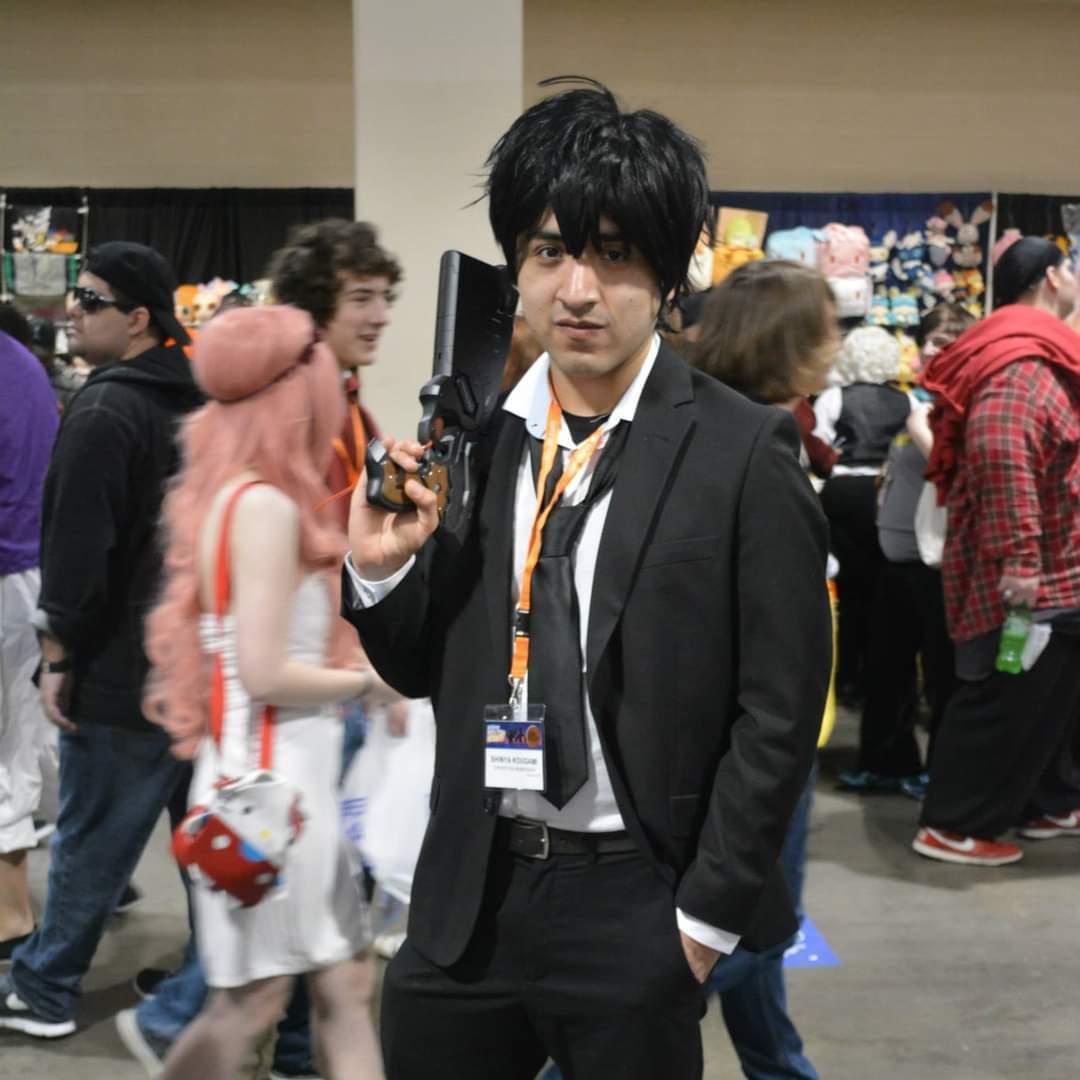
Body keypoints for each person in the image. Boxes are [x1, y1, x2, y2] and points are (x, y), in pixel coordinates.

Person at [343, 79, 831, 1079]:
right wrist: (378, 572)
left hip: (637, 903)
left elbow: (779, 708)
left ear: (670, 274)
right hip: (470, 897)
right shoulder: (476, 442)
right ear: (516, 267)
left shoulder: (741, 450)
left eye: (614, 255)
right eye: (550, 251)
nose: (577, 288)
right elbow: (423, 667)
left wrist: (701, 922)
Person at [119, 219, 405, 1080]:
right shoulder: (264, 509)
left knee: (331, 988)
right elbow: (265, 670)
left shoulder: (237, 499)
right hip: (274, 789)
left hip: (269, 781)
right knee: (254, 1003)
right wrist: (367, 682)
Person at [0, 243, 203, 1039]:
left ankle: (44, 988)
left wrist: (59, 657)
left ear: (138, 317)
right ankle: (204, 980)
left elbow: (81, 551)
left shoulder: (107, 408)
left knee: (91, 834)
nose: (72, 311)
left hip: (123, 661)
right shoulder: (200, 397)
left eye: (90, 300)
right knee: (199, 838)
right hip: (194, 657)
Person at [684, 258, 840, 1080]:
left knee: (756, 931)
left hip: (754, 734)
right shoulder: (763, 447)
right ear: (793, 342)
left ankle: (780, 1066)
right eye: (827, 326)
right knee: (747, 938)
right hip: (763, 742)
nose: (837, 342)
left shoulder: (727, 431)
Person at [913, 237, 1080, 866]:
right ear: (1051, 278)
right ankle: (952, 825)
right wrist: (1021, 561)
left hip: (1054, 571)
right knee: (1004, 702)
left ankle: (1042, 803)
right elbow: (1003, 453)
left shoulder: (1032, 351)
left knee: (1045, 702)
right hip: (1031, 578)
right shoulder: (1019, 358)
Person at [838, 304, 975, 799]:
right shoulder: (918, 400)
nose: (939, 349)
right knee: (886, 669)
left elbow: (958, 469)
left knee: (942, 675)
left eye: (951, 339)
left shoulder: (961, 404)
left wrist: (921, 429)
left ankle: (943, 773)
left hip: (937, 562)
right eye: (933, 339)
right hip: (896, 558)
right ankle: (887, 763)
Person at [0, 330, 60, 960]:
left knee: (10, 746)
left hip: (7, 573)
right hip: (29, 570)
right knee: (25, 737)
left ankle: (11, 917)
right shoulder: (21, 363)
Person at [813, 326, 911, 704]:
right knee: (881, 590)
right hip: (886, 493)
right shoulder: (908, 402)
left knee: (846, 589)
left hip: (841, 492)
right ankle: (877, 680)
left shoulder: (834, 398)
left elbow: (818, 449)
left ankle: (845, 678)